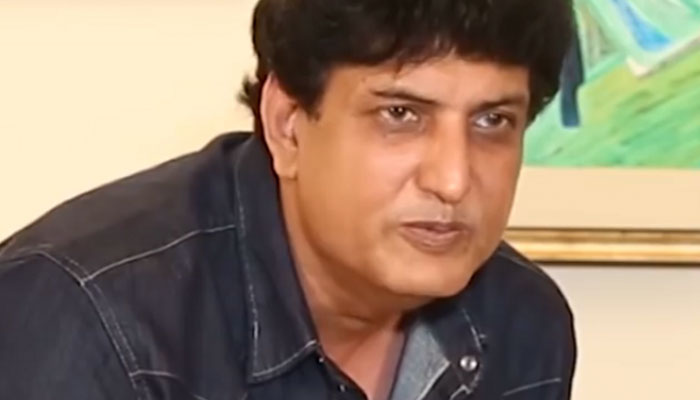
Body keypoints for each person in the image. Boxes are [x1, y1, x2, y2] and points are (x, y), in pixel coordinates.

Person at [0, 0, 577, 399]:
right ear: (287, 124)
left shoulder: (521, 321)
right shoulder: (85, 317)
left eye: (492, 121)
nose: (452, 180)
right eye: (401, 114)